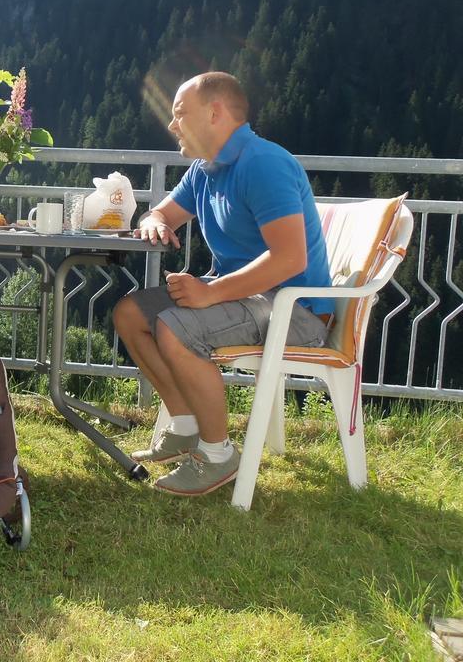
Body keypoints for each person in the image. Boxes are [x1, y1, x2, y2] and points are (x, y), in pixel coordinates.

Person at [112, 71, 332, 496]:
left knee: (175, 327)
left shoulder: (264, 163)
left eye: (180, 115)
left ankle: (217, 456)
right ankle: (184, 426)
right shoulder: (203, 170)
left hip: (295, 307)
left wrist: (211, 292)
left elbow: (290, 258)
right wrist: (153, 222)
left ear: (214, 113)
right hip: (244, 295)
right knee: (130, 313)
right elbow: (160, 213)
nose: (172, 125)